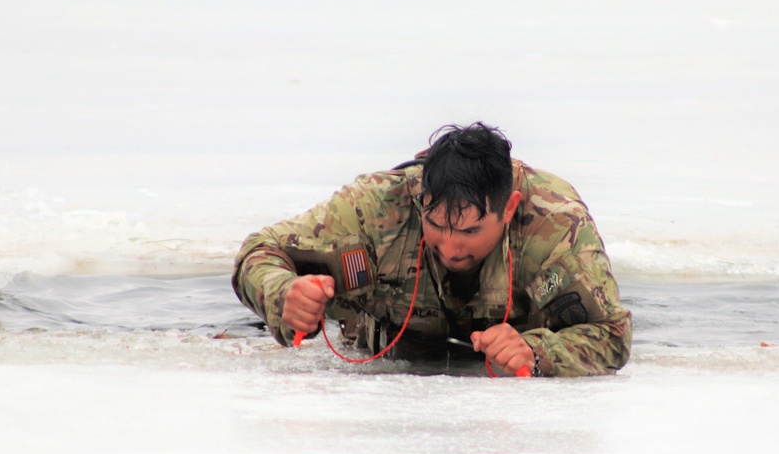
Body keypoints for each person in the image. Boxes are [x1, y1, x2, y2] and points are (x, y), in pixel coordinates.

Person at [231, 122, 632, 377]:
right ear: (420, 196)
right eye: (436, 225)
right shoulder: (374, 208)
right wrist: (284, 293)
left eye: (471, 231)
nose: (451, 247)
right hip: (383, 342)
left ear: (508, 209)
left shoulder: (556, 225)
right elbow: (259, 251)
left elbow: (613, 335)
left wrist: (539, 351)